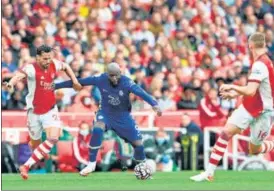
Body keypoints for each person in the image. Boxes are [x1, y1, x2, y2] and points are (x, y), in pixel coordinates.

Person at [190, 32, 274, 182]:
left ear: (250, 45)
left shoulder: (260, 64)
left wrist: (231, 87)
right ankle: (209, 172)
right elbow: (255, 91)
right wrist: (235, 95)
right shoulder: (263, 62)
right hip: (249, 106)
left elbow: (250, 90)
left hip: (264, 112)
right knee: (226, 133)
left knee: (254, 150)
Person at [54, 62, 162, 176]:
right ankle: (91, 164)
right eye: (111, 75)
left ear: (120, 73)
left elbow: (142, 93)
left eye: (116, 75)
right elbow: (78, 81)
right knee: (97, 129)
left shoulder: (127, 82)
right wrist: (56, 86)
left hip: (123, 116)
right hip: (105, 114)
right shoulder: (101, 79)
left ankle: (143, 169)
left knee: (138, 144)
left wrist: (154, 104)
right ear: (107, 74)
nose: (114, 78)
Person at [3, 45, 82, 179]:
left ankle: (26, 166)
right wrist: (10, 84)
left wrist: (74, 81)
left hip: (50, 110)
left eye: (49, 58)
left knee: (53, 138)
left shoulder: (54, 64)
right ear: (38, 57)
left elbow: (66, 67)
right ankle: (36, 153)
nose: (47, 61)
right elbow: (18, 76)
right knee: (36, 146)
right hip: (33, 112)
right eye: (45, 59)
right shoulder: (31, 68)